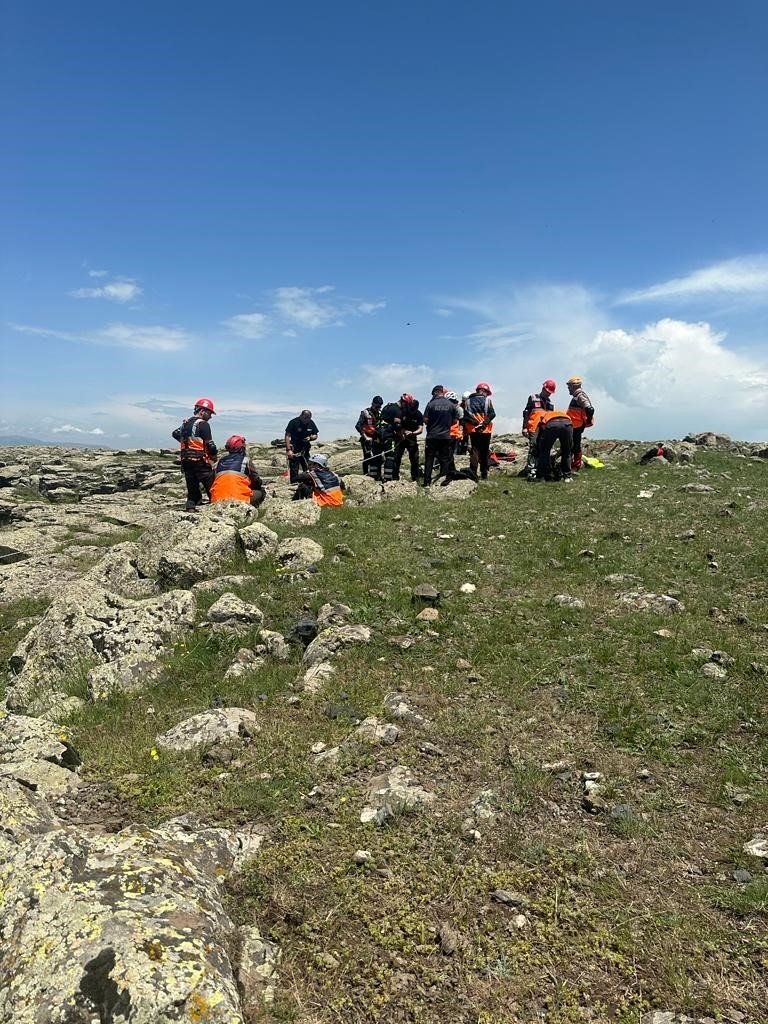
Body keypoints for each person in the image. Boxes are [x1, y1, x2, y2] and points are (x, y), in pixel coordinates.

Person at [172, 397, 218, 511]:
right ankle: (217, 507)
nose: (210, 417)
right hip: (200, 460)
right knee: (211, 486)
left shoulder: (185, 424)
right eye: (209, 413)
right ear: (202, 411)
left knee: (192, 487)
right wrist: (214, 455)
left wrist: (186, 442)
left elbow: (175, 433)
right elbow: (210, 445)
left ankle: (191, 507)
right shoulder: (203, 424)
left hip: (186, 460)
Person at [209, 435, 266, 507]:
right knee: (261, 492)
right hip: (238, 499)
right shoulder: (245, 461)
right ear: (241, 448)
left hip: (217, 500)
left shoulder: (218, 463)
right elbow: (256, 481)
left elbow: (213, 481)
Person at [422, 385, 459, 486]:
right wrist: (446, 424)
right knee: (444, 459)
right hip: (445, 436)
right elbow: (455, 420)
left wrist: (432, 424)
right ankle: (443, 481)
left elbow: (425, 419)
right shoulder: (451, 405)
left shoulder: (430, 404)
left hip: (432, 436)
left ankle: (426, 482)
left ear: (435, 392)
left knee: (429, 459)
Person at [520, 379, 556, 478]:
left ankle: (540, 469)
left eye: (550, 393)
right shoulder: (533, 398)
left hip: (545, 429)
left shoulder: (550, 403)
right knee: (533, 448)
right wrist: (524, 427)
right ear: (543, 388)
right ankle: (531, 470)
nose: (548, 394)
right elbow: (526, 413)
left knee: (542, 448)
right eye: (547, 391)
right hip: (533, 427)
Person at [464, 382, 496, 480]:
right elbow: (492, 414)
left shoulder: (467, 401)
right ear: (483, 391)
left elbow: (466, 416)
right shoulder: (487, 400)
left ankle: (473, 472)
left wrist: (475, 424)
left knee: (475, 451)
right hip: (485, 431)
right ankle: (484, 473)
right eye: (487, 392)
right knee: (484, 451)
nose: (487, 394)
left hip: (473, 430)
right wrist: (483, 424)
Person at [532, 408, 574, 482]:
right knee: (567, 451)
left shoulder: (543, 416)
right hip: (568, 424)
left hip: (552, 424)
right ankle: (567, 476)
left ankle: (541, 476)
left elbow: (539, 431)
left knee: (544, 451)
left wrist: (537, 444)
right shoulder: (560, 412)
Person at [392, 393, 424, 481]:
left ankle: (415, 478)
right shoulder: (403, 411)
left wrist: (413, 433)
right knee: (397, 458)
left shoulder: (419, 415)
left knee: (414, 460)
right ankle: (395, 477)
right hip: (400, 438)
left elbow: (421, 429)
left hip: (412, 439)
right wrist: (401, 432)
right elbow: (397, 423)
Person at [566, 376, 595, 472]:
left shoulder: (579, 395)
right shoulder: (576, 395)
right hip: (574, 424)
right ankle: (572, 465)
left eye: (569, 386)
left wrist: (587, 420)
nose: (568, 389)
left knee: (575, 445)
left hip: (577, 425)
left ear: (574, 386)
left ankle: (575, 466)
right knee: (573, 445)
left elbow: (590, 409)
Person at [284, 409, 319, 483]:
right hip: (294, 449)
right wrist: (288, 449)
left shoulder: (311, 422)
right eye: (306, 418)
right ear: (301, 416)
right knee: (294, 469)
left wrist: (311, 438)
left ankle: (308, 484)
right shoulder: (293, 422)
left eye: (309, 418)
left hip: (305, 450)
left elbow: (315, 435)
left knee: (308, 468)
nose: (307, 420)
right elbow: (287, 436)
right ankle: (294, 485)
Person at [354, 396, 383, 478]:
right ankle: (366, 475)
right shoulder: (365, 413)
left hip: (377, 439)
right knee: (367, 457)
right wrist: (365, 437)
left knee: (378, 457)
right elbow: (358, 426)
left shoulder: (380, 414)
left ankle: (377, 475)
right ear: (373, 404)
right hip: (366, 439)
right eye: (377, 406)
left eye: (380, 406)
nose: (378, 408)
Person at [445, 391, 463, 458]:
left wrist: (460, 432)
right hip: (448, 432)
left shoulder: (458, 409)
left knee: (451, 450)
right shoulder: (450, 407)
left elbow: (461, 421)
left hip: (454, 432)